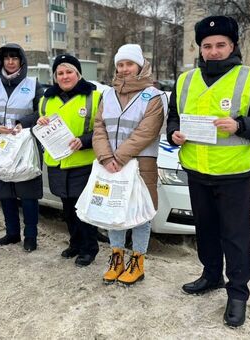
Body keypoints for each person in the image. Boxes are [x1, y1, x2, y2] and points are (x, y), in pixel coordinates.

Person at [166, 16, 250, 327]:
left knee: (236, 236)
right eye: (207, 46)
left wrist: (240, 125)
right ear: (199, 49)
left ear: (232, 46)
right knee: (206, 231)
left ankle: (238, 294)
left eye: (220, 45)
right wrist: (173, 134)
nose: (213, 51)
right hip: (197, 171)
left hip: (234, 175)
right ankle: (211, 275)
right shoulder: (185, 80)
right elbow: (174, 118)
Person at [92, 44, 167, 285]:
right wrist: (105, 157)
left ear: (140, 66)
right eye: (120, 65)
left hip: (140, 164)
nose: (124, 69)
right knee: (114, 212)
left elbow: (147, 132)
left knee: (140, 214)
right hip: (111, 164)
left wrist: (118, 158)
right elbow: (99, 127)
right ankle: (116, 259)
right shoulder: (107, 94)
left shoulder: (154, 96)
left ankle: (137, 262)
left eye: (129, 64)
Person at [0, 43, 44, 252]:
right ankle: (12, 232)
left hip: (25, 143)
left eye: (15, 58)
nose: (11, 61)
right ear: (1, 61)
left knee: (28, 191)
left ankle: (30, 236)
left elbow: (42, 110)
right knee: (4, 190)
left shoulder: (33, 84)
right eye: (7, 58)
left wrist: (24, 122)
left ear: (21, 61)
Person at [36, 54, 102, 267]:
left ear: (78, 73)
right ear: (55, 77)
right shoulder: (46, 99)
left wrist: (84, 141)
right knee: (66, 207)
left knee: (83, 208)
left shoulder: (94, 97)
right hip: (57, 162)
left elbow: (104, 129)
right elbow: (41, 125)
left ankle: (89, 248)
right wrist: (41, 122)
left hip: (82, 162)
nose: (65, 77)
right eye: (60, 73)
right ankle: (75, 242)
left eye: (69, 72)